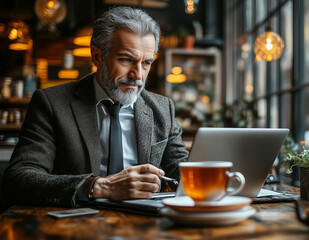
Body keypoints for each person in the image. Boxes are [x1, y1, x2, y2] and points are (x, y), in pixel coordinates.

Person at [1, 6, 188, 207]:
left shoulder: (162, 108)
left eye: (146, 63)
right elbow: (18, 180)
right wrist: (100, 187)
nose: (138, 75)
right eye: (127, 60)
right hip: (74, 227)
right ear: (97, 56)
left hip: (146, 226)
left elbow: (183, 174)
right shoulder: (52, 103)